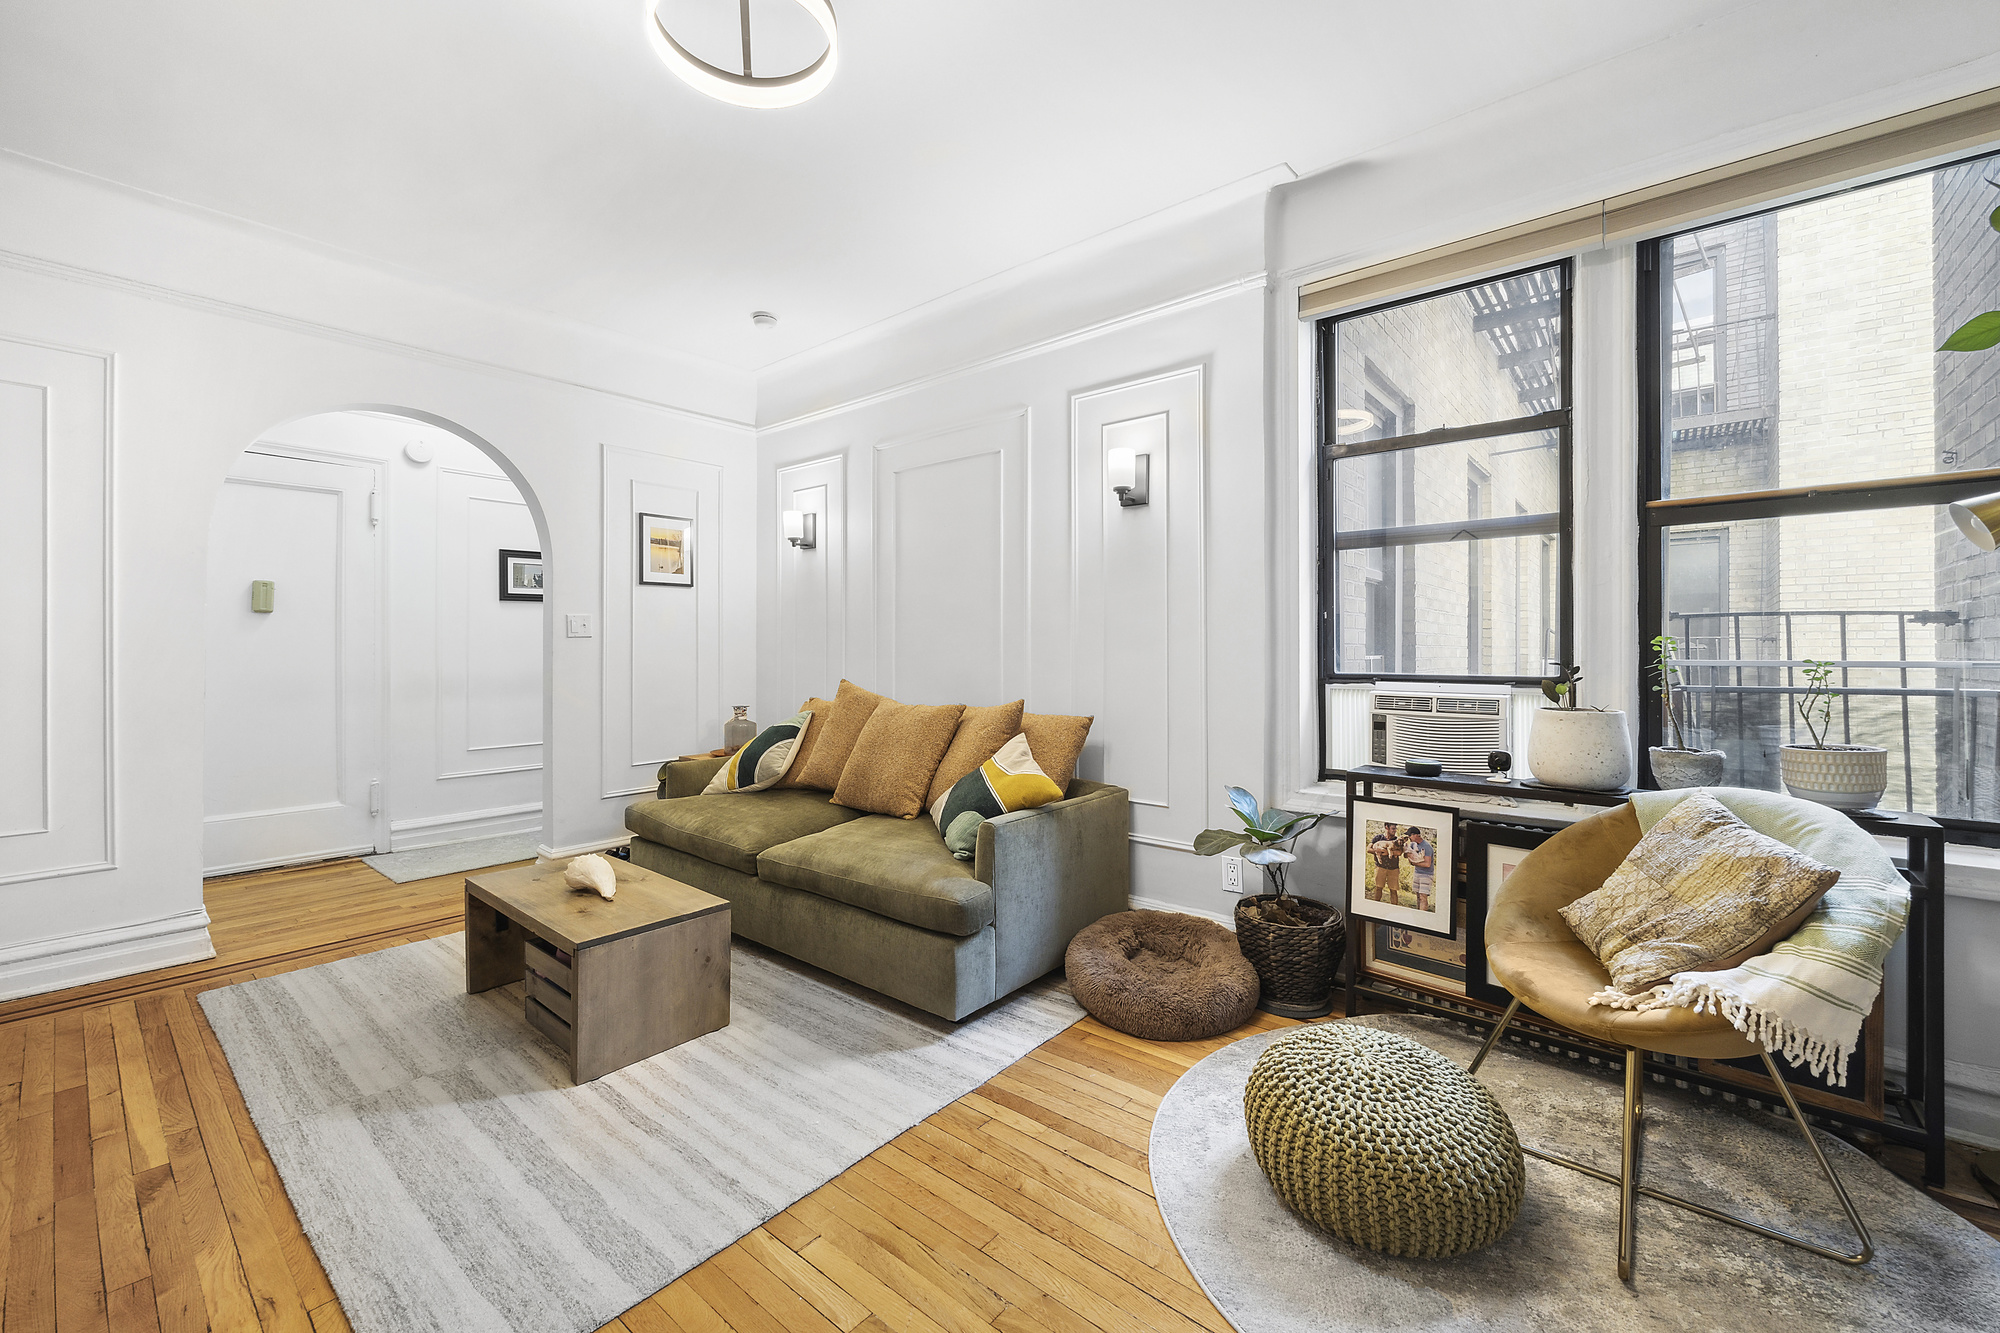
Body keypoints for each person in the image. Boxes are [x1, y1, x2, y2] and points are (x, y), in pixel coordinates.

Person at [1367, 824, 1404, 904]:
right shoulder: (1378, 838)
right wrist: (1378, 851)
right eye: (1393, 828)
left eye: (1395, 828)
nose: (1395, 830)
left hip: (1393, 868)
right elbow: (1369, 849)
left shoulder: (1397, 840)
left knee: (1393, 890)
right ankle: (1376, 906)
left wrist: (1386, 852)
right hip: (1380, 867)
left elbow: (1400, 852)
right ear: (1386, 827)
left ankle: (1394, 909)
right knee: (1378, 888)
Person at [1405, 829, 1436, 914]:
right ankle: (1419, 915)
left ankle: (1423, 917)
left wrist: (1414, 863)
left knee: (1423, 896)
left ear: (1415, 835)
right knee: (1418, 896)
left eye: (1409, 835)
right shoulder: (1414, 845)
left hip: (1426, 875)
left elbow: (1427, 864)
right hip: (1417, 873)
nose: (1408, 837)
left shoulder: (1426, 846)